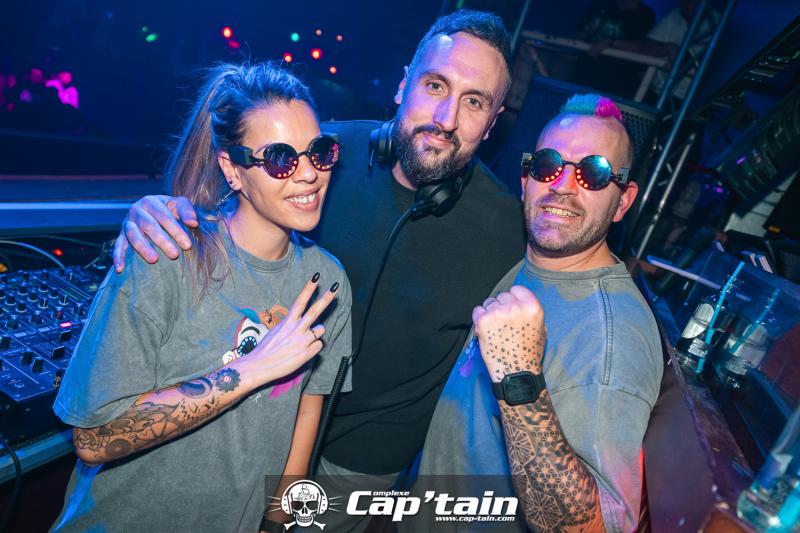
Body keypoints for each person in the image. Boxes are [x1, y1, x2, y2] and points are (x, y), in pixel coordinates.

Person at [110, 10, 526, 531]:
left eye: (474, 101)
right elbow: (219, 204)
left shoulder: (508, 231)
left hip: (360, 465)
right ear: (404, 85)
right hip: (254, 414)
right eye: (435, 85)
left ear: (493, 121)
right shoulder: (320, 156)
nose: (446, 117)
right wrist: (156, 212)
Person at [51, 62, 352, 532]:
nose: (309, 174)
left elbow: (305, 418)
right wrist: (253, 368)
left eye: (319, 152)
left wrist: (277, 523)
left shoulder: (327, 279)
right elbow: (92, 438)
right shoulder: (166, 254)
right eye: (279, 159)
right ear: (232, 169)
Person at [413, 94, 663, 532]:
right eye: (549, 165)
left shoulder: (613, 337)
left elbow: (592, 528)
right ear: (526, 178)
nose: (563, 185)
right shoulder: (538, 262)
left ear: (623, 202)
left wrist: (519, 379)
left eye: (593, 173)